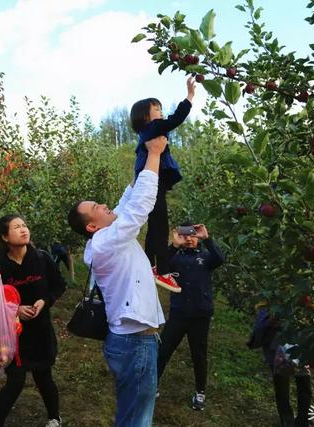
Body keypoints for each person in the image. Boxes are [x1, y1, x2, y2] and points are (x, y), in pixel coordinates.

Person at [67, 135, 168, 427]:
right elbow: (139, 208)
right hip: (135, 343)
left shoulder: (108, 236)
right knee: (136, 419)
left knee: (133, 414)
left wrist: (143, 158)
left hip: (134, 340)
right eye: (98, 206)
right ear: (91, 225)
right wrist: (155, 155)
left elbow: (129, 201)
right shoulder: (105, 242)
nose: (104, 205)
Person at [0, 214, 66, 427]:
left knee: (44, 377)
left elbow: (58, 285)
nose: (24, 229)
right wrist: (15, 310)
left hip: (41, 331)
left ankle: (54, 418)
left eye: (24, 225)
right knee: (15, 382)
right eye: (16, 227)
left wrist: (45, 300)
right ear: (5, 237)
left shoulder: (42, 259)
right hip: (14, 334)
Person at [130, 77, 196, 293]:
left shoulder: (146, 133)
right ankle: (162, 271)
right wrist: (190, 97)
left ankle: (150, 265)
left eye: (160, 109)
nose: (160, 112)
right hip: (153, 182)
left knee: (155, 227)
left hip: (149, 182)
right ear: (145, 116)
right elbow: (175, 119)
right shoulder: (155, 127)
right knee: (160, 227)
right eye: (156, 109)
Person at [156, 222, 225, 411]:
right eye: (185, 235)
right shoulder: (175, 258)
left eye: (193, 235)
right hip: (178, 313)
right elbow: (159, 266)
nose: (189, 238)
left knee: (199, 355)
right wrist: (174, 245)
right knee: (163, 350)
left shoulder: (205, 258)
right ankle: (152, 385)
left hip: (200, 315)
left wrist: (207, 238)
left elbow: (220, 258)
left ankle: (200, 391)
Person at [247, 306, 313, 427]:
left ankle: (303, 419)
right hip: (279, 342)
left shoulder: (307, 294)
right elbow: (265, 318)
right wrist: (272, 320)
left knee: (304, 381)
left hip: (301, 339)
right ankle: (286, 419)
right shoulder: (274, 297)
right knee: (281, 380)